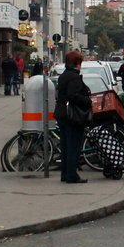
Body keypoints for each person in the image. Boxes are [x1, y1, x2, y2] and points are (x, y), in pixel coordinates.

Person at [53, 51, 91, 184]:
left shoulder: (64, 75)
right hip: (72, 116)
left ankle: (65, 173)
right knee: (74, 146)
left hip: (61, 113)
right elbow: (73, 95)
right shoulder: (74, 77)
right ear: (77, 63)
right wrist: (88, 101)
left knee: (65, 146)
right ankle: (72, 175)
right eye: (80, 62)